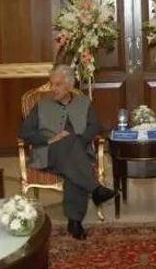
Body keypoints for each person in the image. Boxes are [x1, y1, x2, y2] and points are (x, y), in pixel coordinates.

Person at [19, 64, 115, 240]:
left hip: (76, 155)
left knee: (72, 166)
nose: (53, 89)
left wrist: (80, 141)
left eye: (58, 85)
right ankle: (95, 190)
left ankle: (75, 222)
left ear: (70, 85)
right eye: (52, 84)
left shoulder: (84, 102)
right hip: (48, 153)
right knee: (72, 153)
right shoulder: (42, 105)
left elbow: (95, 126)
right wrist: (49, 140)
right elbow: (24, 132)